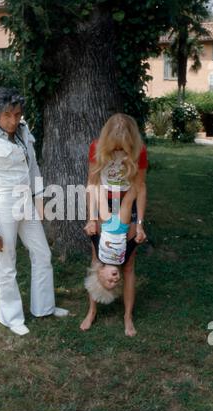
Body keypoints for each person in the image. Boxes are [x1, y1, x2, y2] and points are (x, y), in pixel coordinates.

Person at [0, 87, 68, 336]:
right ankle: (11, 317)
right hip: (2, 206)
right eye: (8, 116)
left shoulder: (24, 131)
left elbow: (33, 167)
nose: (13, 121)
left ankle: (44, 307)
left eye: (17, 114)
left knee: (42, 253)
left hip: (27, 202)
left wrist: (40, 198)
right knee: (7, 262)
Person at [81, 113, 148, 336]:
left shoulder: (140, 151)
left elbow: (140, 186)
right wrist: (91, 218)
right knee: (96, 260)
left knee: (128, 266)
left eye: (123, 148)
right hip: (103, 203)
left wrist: (139, 224)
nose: (119, 152)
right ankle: (91, 311)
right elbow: (92, 183)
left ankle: (127, 316)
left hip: (128, 202)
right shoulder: (96, 147)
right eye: (115, 147)